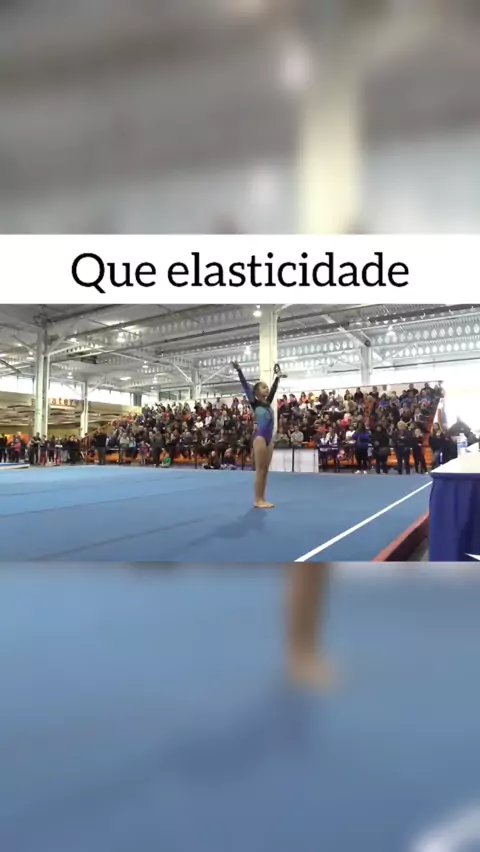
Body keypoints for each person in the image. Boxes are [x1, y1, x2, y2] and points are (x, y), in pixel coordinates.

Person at [232, 360, 285, 508]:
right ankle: (257, 499)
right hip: (260, 438)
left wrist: (277, 378)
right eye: (263, 387)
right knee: (260, 470)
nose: (267, 389)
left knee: (265, 471)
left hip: (269, 439)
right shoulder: (254, 403)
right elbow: (245, 386)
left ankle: (262, 498)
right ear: (256, 392)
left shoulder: (268, 403)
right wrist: (239, 370)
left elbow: (273, 389)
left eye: (267, 387)